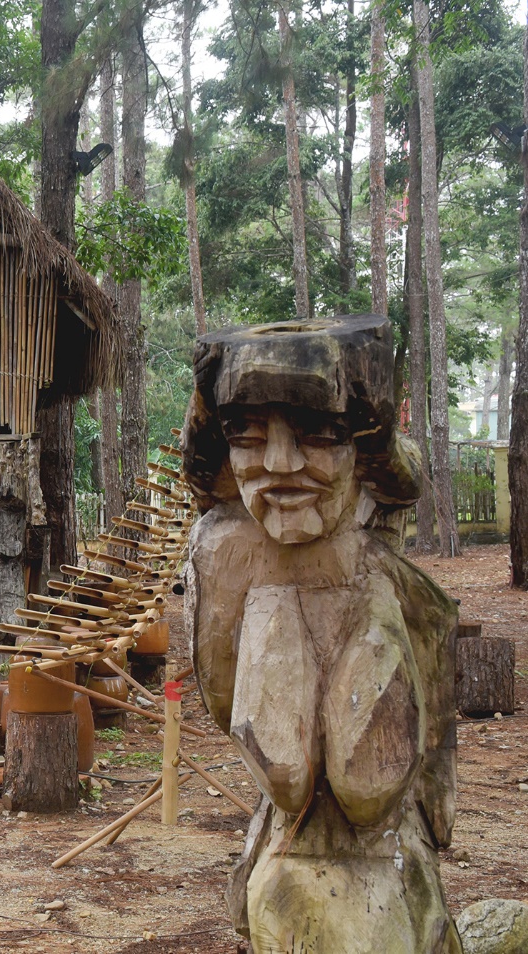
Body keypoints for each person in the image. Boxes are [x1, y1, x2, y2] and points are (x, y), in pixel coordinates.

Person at [182, 316, 459, 953]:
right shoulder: (224, 554)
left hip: (386, 867)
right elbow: (232, 709)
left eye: (320, 434)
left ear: (365, 453)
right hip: (290, 860)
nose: (280, 465)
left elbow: (399, 755)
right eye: (245, 436)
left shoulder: (378, 571)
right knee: (284, 767)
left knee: (368, 784)